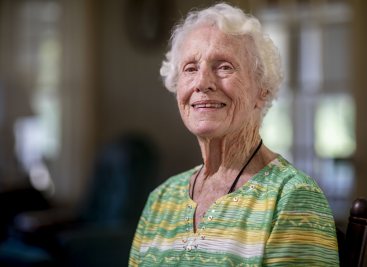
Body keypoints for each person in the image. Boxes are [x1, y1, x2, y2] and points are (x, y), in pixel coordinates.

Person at [129, 3, 339, 266]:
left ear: (262, 89)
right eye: (190, 68)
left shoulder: (292, 197)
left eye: (224, 66)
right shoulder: (161, 200)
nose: (203, 82)